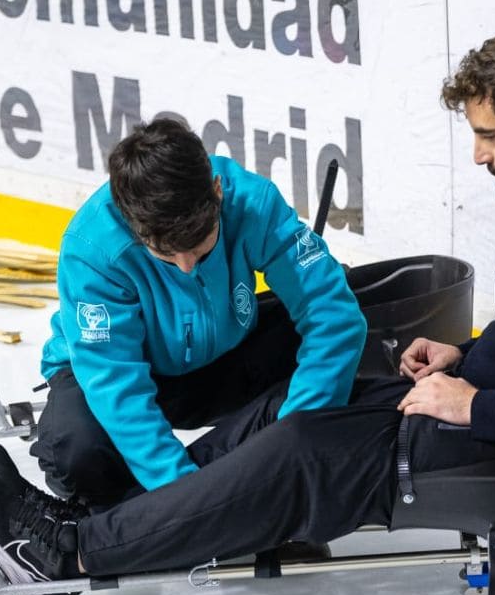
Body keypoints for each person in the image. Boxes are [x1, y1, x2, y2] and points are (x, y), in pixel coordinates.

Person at [0, 29, 495, 589]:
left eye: (490, 136)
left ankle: (71, 551)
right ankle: (117, 518)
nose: (482, 157)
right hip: (483, 403)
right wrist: (470, 356)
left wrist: (474, 405)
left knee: (300, 455)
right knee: (280, 427)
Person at [30, 118, 367, 507]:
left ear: (218, 192)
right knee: (74, 450)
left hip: (224, 354)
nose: (187, 266)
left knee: (339, 342)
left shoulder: (252, 203)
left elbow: (335, 317)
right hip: (114, 373)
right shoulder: (93, 250)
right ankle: (124, 514)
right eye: (166, 256)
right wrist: (192, 498)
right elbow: (117, 387)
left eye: (201, 248)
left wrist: (297, 432)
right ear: (132, 227)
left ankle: (283, 475)